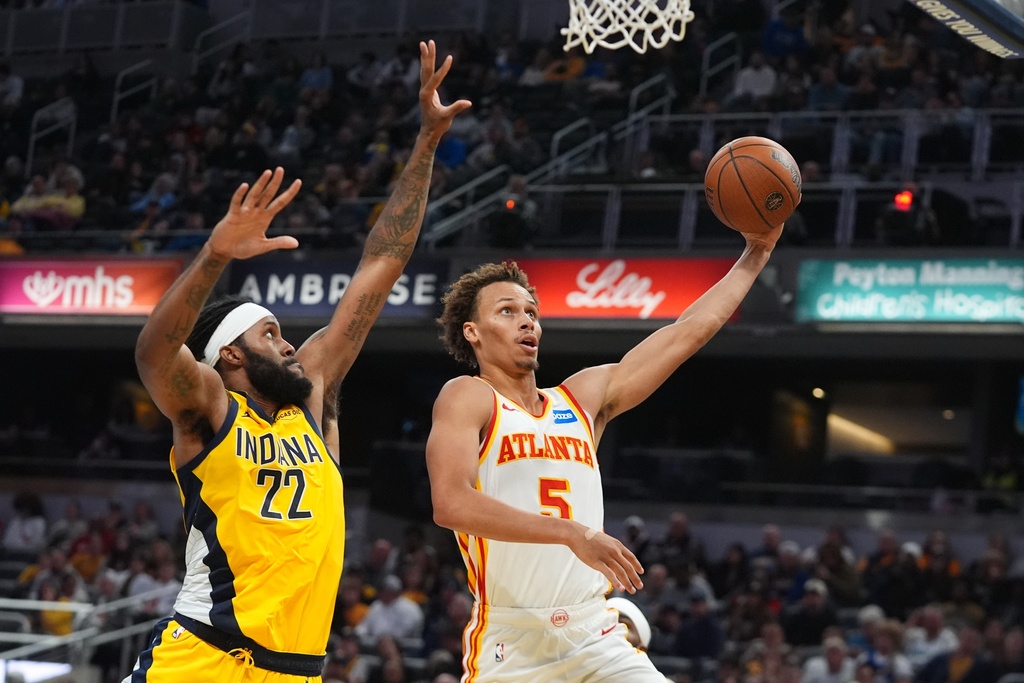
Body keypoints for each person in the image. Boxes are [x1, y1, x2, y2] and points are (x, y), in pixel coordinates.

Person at [123, 40, 470, 683]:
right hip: (204, 656)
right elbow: (153, 350)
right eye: (271, 333)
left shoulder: (311, 399)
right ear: (229, 353)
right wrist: (216, 254)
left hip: (297, 670)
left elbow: (380, 266)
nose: (288, 345)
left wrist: (425, 146)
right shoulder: (207, 408)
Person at [425, 216, 784, 681]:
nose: (527, 321)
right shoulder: (468, 395)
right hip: (513, 640)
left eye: (531, 311)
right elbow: (450, 504)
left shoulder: (580, 399)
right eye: (507, 311)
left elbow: (687, 332)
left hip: (594, 631)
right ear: (473, 332)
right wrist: (571, 533)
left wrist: (755, 254)